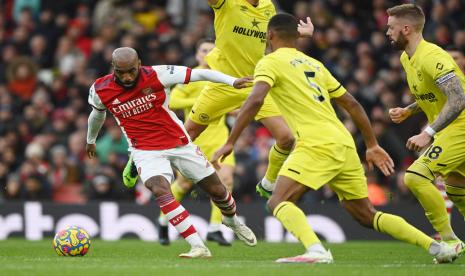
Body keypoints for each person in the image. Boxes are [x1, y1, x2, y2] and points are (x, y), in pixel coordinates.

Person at [212, 13, 459, 264]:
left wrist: (231, 141)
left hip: (317, 143)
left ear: (270, 35)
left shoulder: (269, 62)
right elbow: (352, 104)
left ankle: (316, 250)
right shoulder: (315, 65)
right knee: (366, 214)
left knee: (278, 201)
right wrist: (371, 144)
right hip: (344, 142)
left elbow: (255, 100)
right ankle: (437, 247)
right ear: (295, 37)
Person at [86, 47, 256, 258]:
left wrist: (232, 81)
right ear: (114, 69)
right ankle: (197, 246)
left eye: (131, 71)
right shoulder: (100, 89)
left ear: (139, 63)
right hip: (145, 150)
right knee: (160, 190)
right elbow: (97, 115)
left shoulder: (158, 74)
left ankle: (230, 219)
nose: (127, 77)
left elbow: (199, 74)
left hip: (179, 143)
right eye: (121, 73)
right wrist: (91, 140)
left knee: (218, 191)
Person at [183, 0, 314, 198]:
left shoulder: (267, 6)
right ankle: (145, 156)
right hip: (224, 83)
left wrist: (298, 34)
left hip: (255, 83)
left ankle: (268, 183)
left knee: (287, 138)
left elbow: (273, 37)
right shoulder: (226, 3)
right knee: (185, 135)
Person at [386, 4, 465, 252]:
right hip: (450, 129)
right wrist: (409, 110)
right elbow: (431, 95)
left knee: (415, 176)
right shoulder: (406, 57)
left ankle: (450, 241)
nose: (387, 32)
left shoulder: (433, 57)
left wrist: (427, 133)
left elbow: (459, 99)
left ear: (406, 29)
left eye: (391, 28)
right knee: (456, 187)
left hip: (460, 127)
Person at [156, 39, 236, 246]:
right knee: (183, 184)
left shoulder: (223, 76)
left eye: (211, 50)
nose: (207, 53)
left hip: (219, 138)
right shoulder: (190, 76)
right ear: (197, 54)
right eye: (204, 50)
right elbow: (173, 101)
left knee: (225, 180)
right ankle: (163, 221)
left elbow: (234, 104)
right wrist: (203, 102)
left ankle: (215, 229)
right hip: (195, 139)